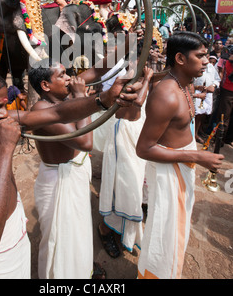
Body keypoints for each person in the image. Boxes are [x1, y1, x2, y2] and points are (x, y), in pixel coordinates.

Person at [0, 69, 139, 279]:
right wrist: (5, 150)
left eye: (5, 105)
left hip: (17, 246)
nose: (5, 114)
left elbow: (57, 114)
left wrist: (103, 99)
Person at [29, 49, 141, 279]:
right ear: (46, 85)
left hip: (75, 174)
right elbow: (85, 142)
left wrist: (129, 38)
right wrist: (81, 96)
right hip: (59, 180)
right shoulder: (41, 109)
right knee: (63, 238)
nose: (69, 78)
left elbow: (100, 69)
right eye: (62, 75)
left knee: (78, 230)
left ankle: (81, 270)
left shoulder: (64, 95)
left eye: (67, 73)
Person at [136, 32, 224, 279]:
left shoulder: (184, 84)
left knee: (175, 231)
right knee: (165, 234)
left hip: (180, 166)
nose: (207, 61)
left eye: (206, 55)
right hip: (169, 173)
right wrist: (197, 157)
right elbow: (143, 149)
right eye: (200, 55)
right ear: (180, 58)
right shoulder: (166, 94)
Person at [98, 66, 153, 258]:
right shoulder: (129, 96)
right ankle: (104, 230)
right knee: (121, 191)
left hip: (136, 150)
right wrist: (147, 79)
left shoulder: (145, 91)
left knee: (132, 192)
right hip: (123, 150)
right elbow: (137, 103)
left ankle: (122, 231)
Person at [216, 45, 233, 147]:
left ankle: (228, 139)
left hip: (228, 91)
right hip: (228, 91)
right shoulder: (228, 61)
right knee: (224, 117)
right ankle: (219, 140)